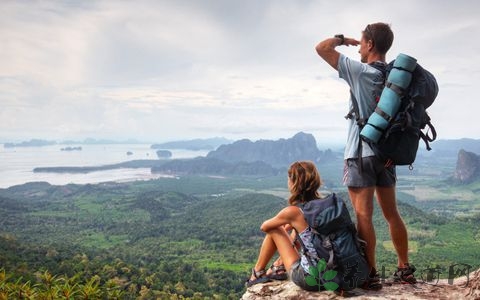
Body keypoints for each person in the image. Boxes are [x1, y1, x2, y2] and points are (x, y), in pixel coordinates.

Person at [315, 22, 416, 287]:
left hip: (360, 153)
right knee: (392, 213)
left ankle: (370, 274)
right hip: (387, 154)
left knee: (363, 216)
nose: (358, 47)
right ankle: (404, 268)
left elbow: (322, 48)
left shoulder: (360, 72)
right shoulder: (396, 78)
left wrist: (343, 39)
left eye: (361, 42)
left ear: (370, 44)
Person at [245, 161, 322, 291]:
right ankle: (278, 266)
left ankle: (257, 273)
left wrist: (285, 222)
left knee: (275, 228)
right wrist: (290, 226)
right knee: (299, 233)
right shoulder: (324, 205)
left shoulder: (293, 212)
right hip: (334, 274)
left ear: (294, 183)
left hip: (311, 279)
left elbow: (265, 227)